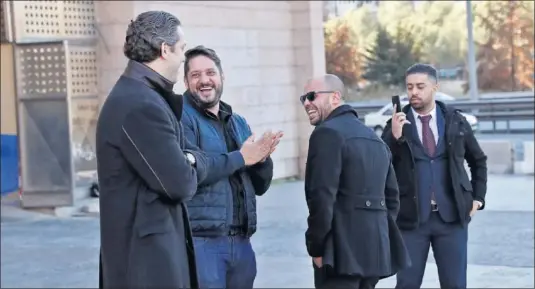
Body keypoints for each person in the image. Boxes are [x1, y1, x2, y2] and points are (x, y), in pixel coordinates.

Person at [96, 11, 205, 289]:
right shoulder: (140, 104)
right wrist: (191, 159)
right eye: (181, 49)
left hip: (146, 260)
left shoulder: (141, 95)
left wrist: (185, 159)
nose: (183, 57)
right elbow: (180, 184)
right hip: (145, 266)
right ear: (165, 50)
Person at [179, 45, 283, 288]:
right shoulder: (181, 118)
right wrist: (242, 157)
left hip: (242, 242)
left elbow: (260, 186)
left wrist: (262, 158)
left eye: (210, 73)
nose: (204, 80)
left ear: (222, 77)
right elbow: (191, 173)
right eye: (195, 75)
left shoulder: (237, 122)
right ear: (185, 81)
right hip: (203, 242)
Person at [381, 64, 488, 289]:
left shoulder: (455, 120)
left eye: (420, 86)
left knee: (455, 284)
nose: (414, 92)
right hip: (411, 221)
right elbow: (380, 166)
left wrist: (478, 199)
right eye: (409, 87)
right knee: (407, 284)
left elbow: (478, 161)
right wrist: (394, 138)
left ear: (435, 87)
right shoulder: (395, 125)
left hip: (452, 219)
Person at [301, 74, 411, 289]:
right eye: (303, 98)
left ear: (335, 97)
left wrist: (316, 248)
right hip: (374, 254)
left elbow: (321, 198)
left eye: (312, 96)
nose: (306, 103)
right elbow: (392, 199)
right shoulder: (373, 138)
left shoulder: (326, 133)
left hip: (339, 255)